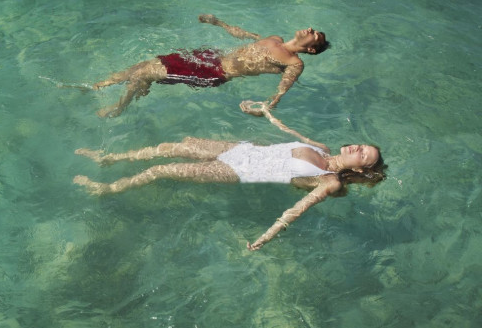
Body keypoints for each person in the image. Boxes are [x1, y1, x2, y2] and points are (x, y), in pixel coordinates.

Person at [73, 106, 385, 250]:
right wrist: (264, 112)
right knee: (173, 146)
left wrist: (268, 236)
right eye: (361, 146)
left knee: (161, 170)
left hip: (239, 170)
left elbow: (300, 208)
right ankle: (109, 158)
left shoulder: (330, 181)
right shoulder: (322, 147)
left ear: (358, 170)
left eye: (363, 155)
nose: (357, 148)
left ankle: (108, 189)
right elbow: (288, 133)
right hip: (241, 149)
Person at [91, 14, 330, 117]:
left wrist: (268, 106)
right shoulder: (275, 38)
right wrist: (217, 22)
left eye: (315, 35)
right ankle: (101, 85)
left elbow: (283, 87)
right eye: (313, 29)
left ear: (311, 49)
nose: (310, 30)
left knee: (145, 73)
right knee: (143, 65)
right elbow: (244, 36)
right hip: (209, 56)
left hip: (215, 72)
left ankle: (119, 107)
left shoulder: (294, 62)